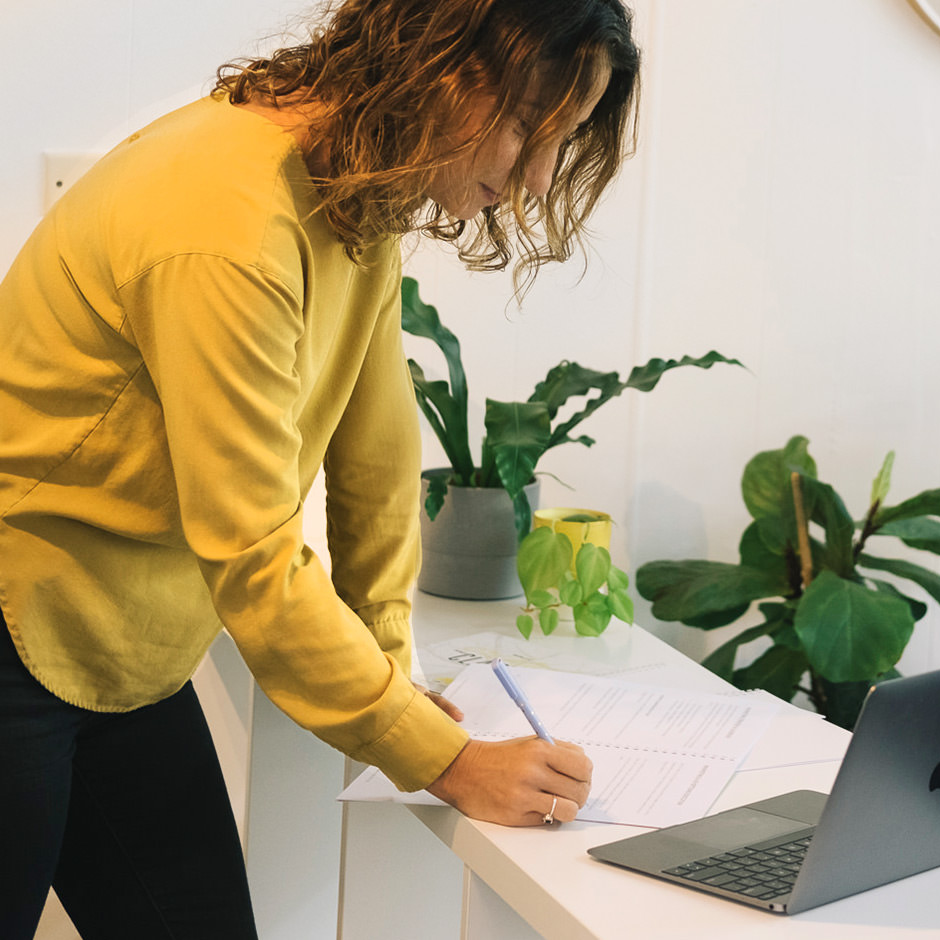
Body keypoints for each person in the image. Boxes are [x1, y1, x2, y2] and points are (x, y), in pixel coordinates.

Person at [0, 0, 640, 936]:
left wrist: (392, 672)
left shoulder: (355, 191)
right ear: (445, 67)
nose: (538, 177)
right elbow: (256, 555)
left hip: (123, 648)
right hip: (19, 620)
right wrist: (448, 761)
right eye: (527, 131)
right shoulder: (226, 220)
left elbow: (375, 459)